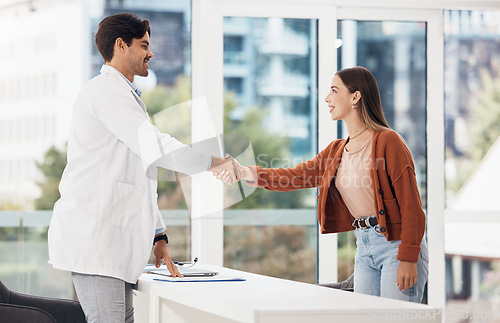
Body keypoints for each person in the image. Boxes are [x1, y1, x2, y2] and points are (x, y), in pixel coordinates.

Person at [47, 13, 237, 322]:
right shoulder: (106, 92)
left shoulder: (123, 95)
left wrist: (158, 235)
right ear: (121, 46)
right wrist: (215, 162)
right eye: (144, 45)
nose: (151, 53)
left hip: (113, 248)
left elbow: (140, 176)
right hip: (96, 244)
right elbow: (157, 147)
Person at [216, 66, 429, 302]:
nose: (327, 98)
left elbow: (412, 206)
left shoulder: (388, 141)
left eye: (334, 90)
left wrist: (409, 257)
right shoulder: (336, 151)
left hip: (396, 247)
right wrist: (245, 171)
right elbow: (295, 176)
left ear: (355, 97)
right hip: (364, 246)